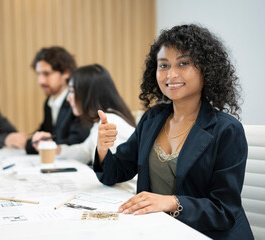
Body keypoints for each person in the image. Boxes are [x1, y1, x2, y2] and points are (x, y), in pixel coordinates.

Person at [94, 24, 253, 239]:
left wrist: (171, 201)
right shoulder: (152, 119)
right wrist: (103, 148)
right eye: (163, 65)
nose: (171, 74)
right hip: (160, 231)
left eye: (183, 63)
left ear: (206, 69)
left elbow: (224, 211)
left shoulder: (226, 130)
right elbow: (117, 172)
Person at [35, 64, 136, 165]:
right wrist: (54, 148)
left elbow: (115, 174)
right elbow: (84, 151)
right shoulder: (101, 121)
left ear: (87, 94)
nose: (68, 98)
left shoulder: (109, 123)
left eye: (71, 91)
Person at [25, 46, 91, 154]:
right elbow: (44, 133)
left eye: (46, 74)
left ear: (66, 73)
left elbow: (76, 142)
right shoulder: (48, 102)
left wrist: (36, 143)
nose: (40, 81)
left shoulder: (77, 102)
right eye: (39, 74)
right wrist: (29, 140)